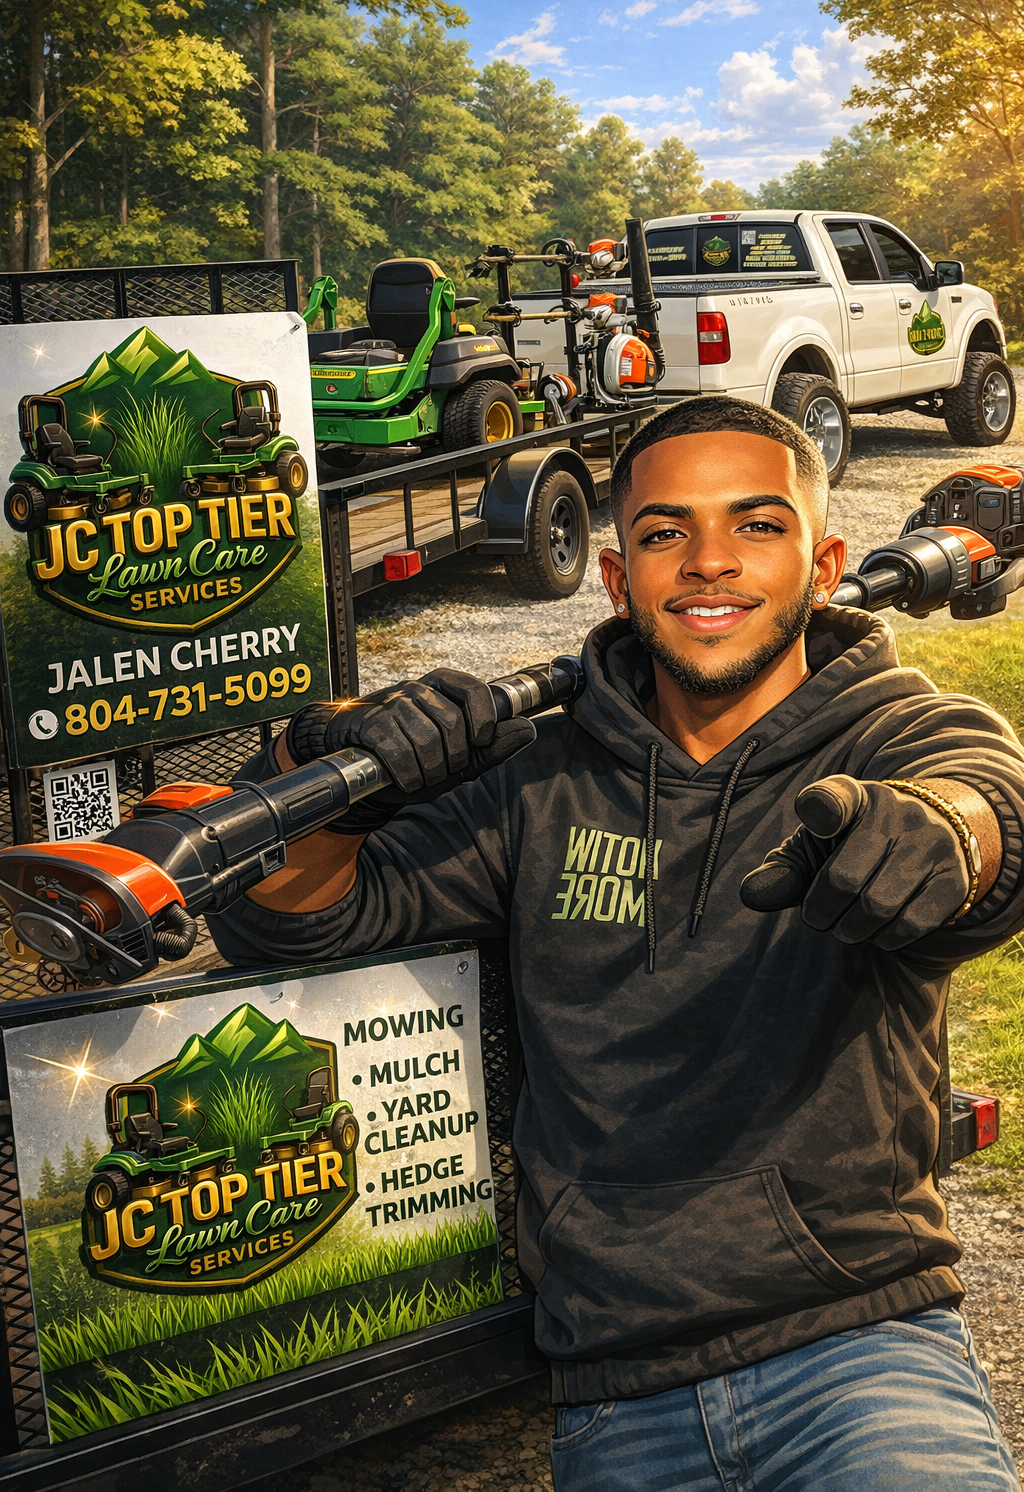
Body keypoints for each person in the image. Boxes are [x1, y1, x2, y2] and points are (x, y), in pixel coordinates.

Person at [209, 396, 1024, 1491]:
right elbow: (291, 919)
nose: (709, 562)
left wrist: (940, 838)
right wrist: (323, 775)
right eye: (663, 533)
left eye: (757, 526)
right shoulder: (534, 779)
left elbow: (990, 807)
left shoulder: (895, 726)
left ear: (823, 561)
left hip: (861, 1354)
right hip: (612, 1395)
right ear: (615, 576)